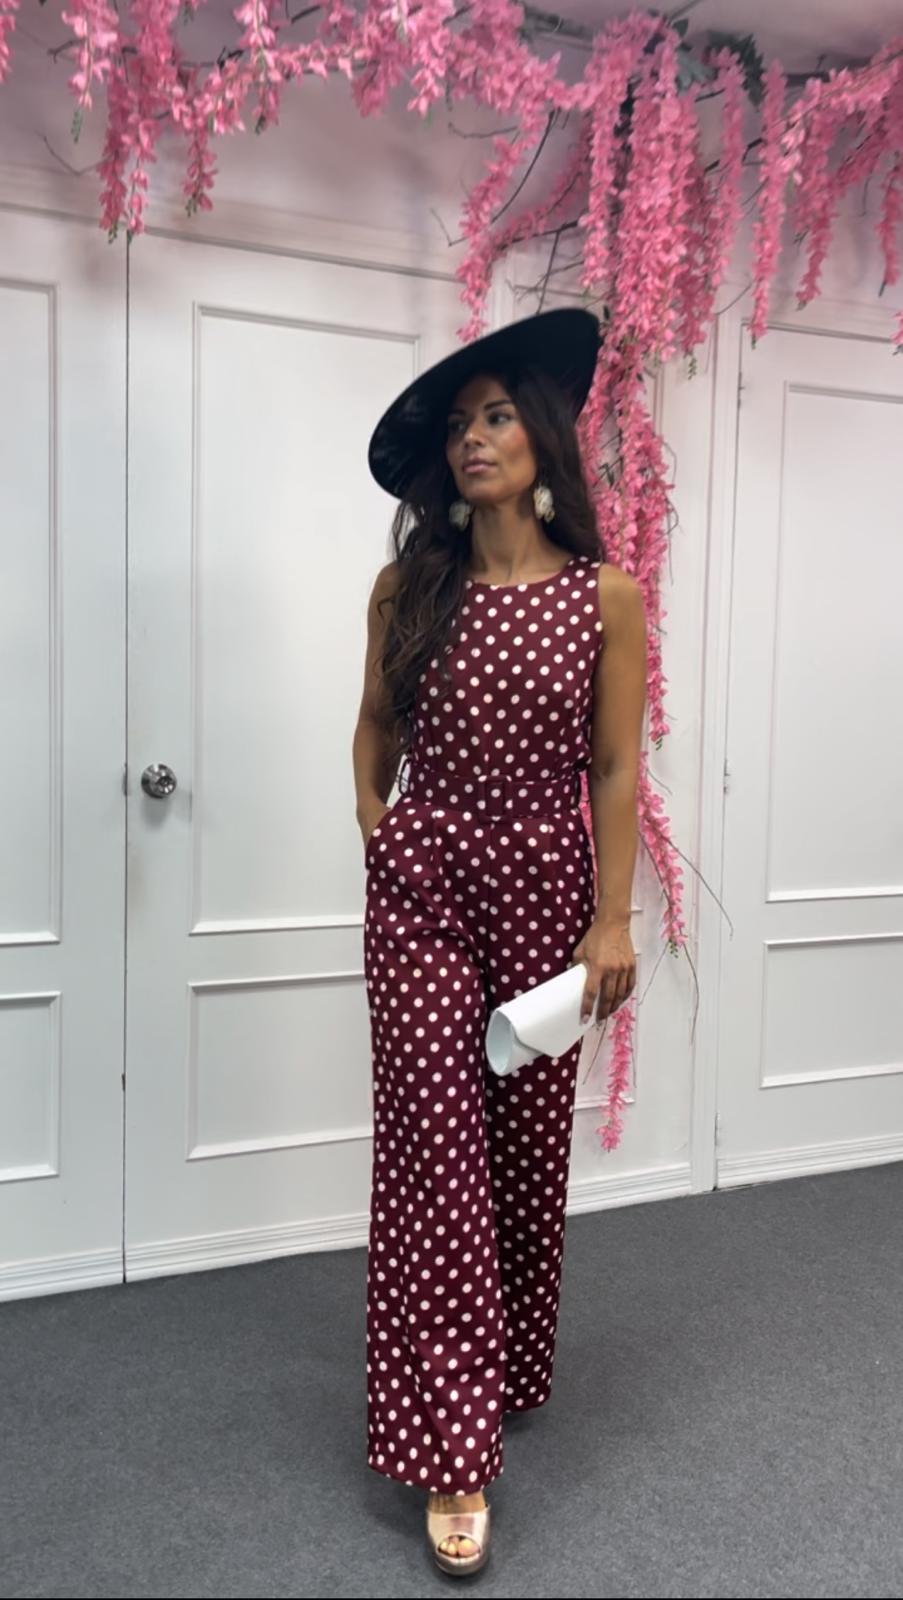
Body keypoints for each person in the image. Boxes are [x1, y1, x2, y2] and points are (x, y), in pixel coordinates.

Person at [353, 307, 647, 1575]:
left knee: (522, 1151)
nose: (474, 439)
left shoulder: (604, 599)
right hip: (425, 891)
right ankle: (454, 1449)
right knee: (437, 1158)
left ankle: (506, 1363)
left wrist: (613, 917)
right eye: (460, 425)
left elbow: (617, 768)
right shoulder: (410, 586)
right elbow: (373, 729)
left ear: (542, 438)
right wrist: (386, 837)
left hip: (545, 890)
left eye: (495, 415)